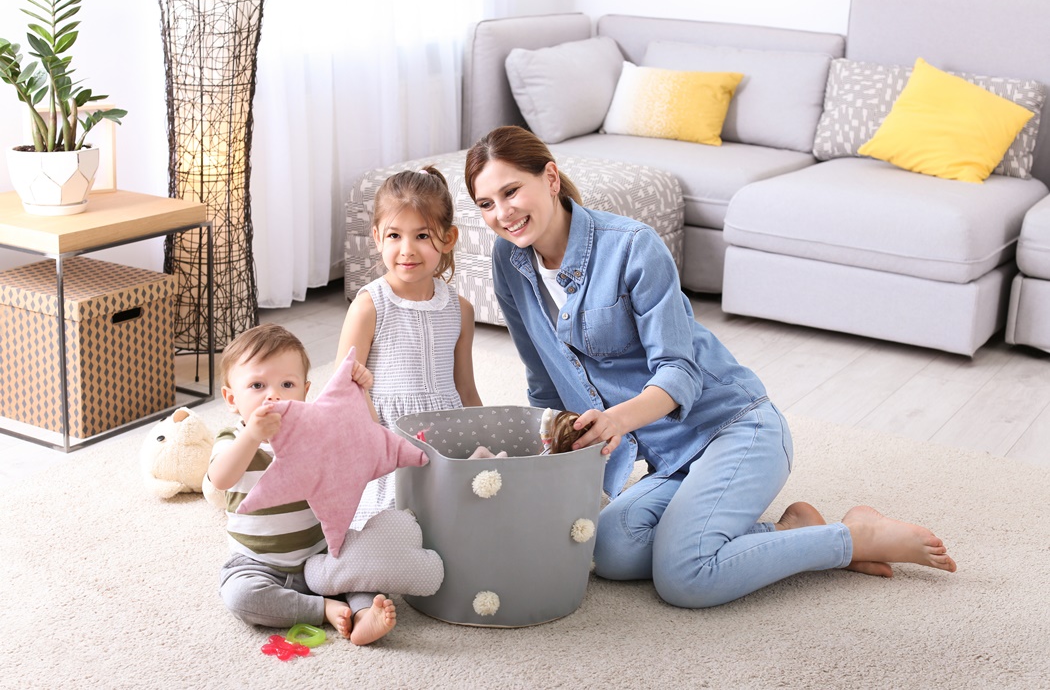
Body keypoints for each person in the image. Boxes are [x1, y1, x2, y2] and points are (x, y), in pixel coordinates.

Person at [463, 125, 957, 609]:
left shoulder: (633, 246)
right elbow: (544, 381)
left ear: (550, 177)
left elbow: (680, 372)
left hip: (734, 427)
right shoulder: (511, 261)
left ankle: (854, 537)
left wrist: (616, 419)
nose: (503, 214)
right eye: (486, 203)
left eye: (511, 191)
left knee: (685, 578)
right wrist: (553, 457)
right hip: (670, 456)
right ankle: (791, 532)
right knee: (609, 551)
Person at [207, 323, 397, 644]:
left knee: (364, 558)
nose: (273, 394)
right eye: (256, 385)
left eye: (286, 383)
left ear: (305, 392)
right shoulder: (233, 439)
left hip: (319, 555)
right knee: (239, 595)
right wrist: (253, 435)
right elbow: (221, 478)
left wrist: (359, 393)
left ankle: (364, 613)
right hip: (257, 564)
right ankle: (321, 609)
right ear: (231, 399)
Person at [337, 166, 483, 527]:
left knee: (472, 512)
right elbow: (343, 387)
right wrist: (377, 444)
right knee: (388, 520)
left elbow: (465, 387)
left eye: (421, 235)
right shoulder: (370, 305)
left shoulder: (460, 309)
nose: (406, 250)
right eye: (394, 235)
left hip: (446, 434)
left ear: (448, 238)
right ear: (376, 237)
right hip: (384, 435)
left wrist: (483, 435)